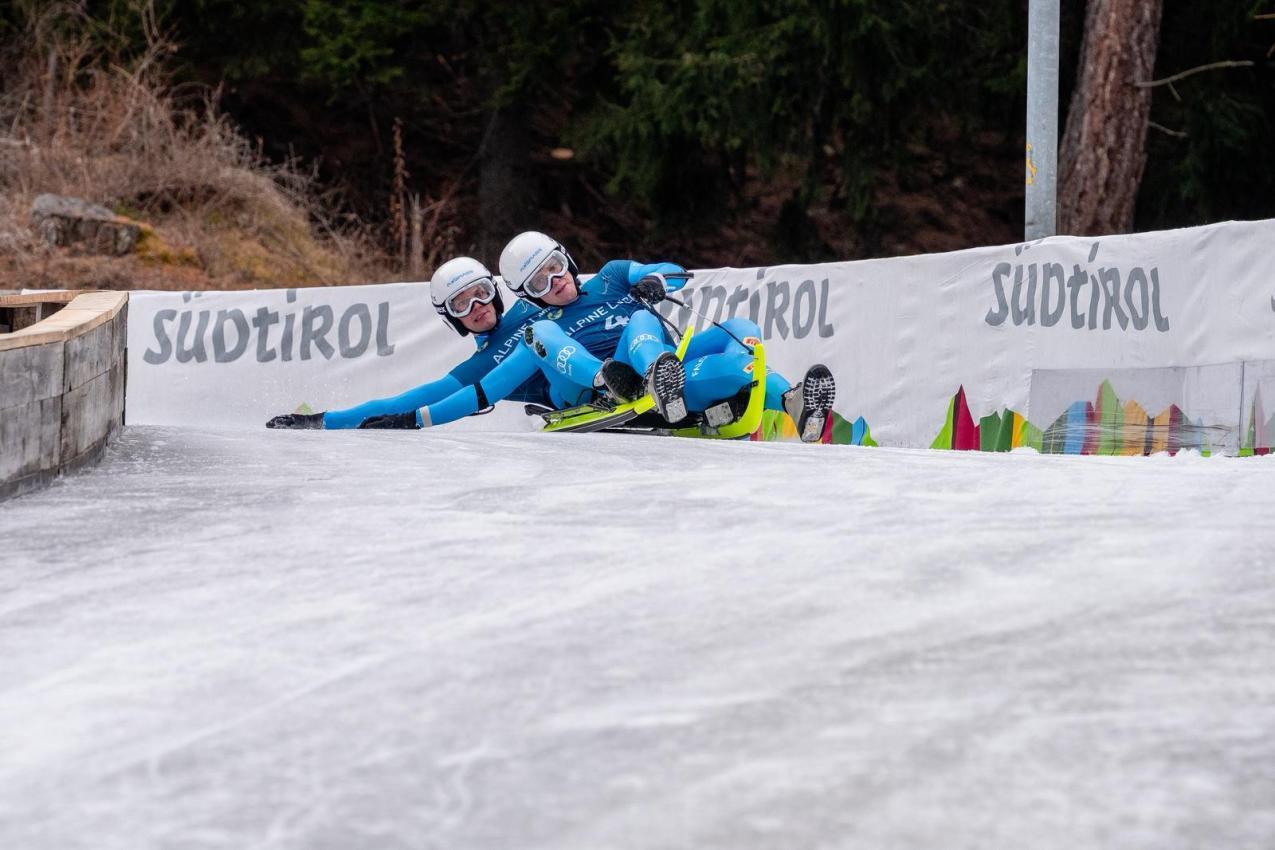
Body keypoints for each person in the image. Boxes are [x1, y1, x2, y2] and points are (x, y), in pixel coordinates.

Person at [498, 232, 837, 441]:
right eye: (539, 282)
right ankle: (656, 380)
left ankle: (793, 404)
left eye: (554, 267)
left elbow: (673, 271)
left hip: (664, 362)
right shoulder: (537, 326)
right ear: (528, 295)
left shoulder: (610, 277)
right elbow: (486, 380)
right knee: (642, 319)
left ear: (567, 259)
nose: (554, 281)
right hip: (609, 381)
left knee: (740, 330)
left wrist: (657, 281)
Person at [264, 256, 550, 430]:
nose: (477, 306)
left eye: (481, 293)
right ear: (451, 317)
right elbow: (408, 400)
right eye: (461, 304)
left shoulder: (534, 304)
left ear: (495, 292)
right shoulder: (479, 367)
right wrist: (321, 420)